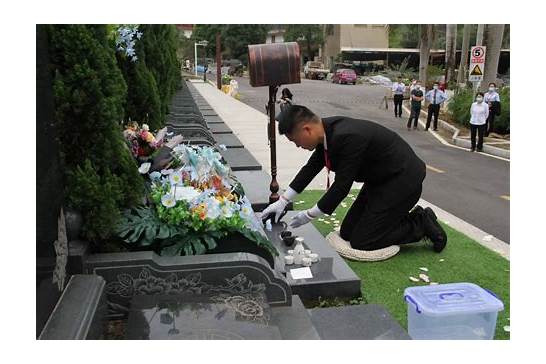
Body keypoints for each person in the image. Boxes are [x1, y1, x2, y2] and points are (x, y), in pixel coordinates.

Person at [261, 105, 447, 253]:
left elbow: (342, 186)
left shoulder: (348, 137)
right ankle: (395, 220)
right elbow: (310, 169)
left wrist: (311, 214)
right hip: (379, 180)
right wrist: (283, 201)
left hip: (402, 181)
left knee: (363, 241)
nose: (297, 146)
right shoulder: (327, 133)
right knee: (348, 232)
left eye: (295, 141)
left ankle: (421, 222)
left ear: (306, 129)